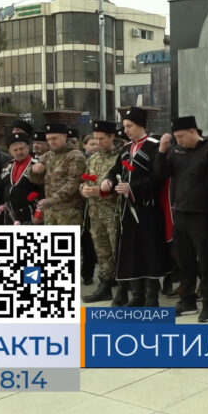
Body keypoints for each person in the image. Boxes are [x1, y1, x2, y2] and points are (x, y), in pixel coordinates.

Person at [100, 107, 172, 307]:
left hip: (148, 209)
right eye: (124, 126)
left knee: (149, 252)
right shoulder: (124, 149)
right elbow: (114, 171)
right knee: (131, 252)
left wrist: (133, 188)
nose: (126, 130)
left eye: (129, 126)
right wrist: (107, 182)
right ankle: (136, 296)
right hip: (126, 211)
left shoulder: (155, 147)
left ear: (141, 124)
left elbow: (158, 178)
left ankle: (151, 297)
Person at [155, 116, 208, 321]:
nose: (179, 140)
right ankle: (187, 300)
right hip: (182, 215)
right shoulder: (176, 152)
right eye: (176, 137)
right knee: (184, 262)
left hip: (203, 216)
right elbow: (161, 174)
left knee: (207, 262)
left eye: (181, 136)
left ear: (194, 131)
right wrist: (162, 149)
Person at [80, 121, 122, 303]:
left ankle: (123, 288)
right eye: (95, 139)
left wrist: (103, 191)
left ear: (112, 137)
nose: (97, 142)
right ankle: (104, 285)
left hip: (114, 212)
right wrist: (83, 189)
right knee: (102, 250)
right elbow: (83, 179)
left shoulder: (121, 156)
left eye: (101, 139)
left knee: (117, 250)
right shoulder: (94, 158)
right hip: (95, 213)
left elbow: (122, 185)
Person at [27, 123, 87, 226]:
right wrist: (34, 171)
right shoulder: (47, 155)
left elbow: (73, 185)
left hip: (68, 211)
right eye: (48, 139)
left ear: (64, 137)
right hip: (50, 211)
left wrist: (51, 200)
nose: (51, 142)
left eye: (54, 138)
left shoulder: (75, 156)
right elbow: (35, 180)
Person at [0, 132, 44, 224]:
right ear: (10, 152)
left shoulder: (37, 165)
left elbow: (44, 190)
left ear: (28, 148)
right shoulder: (7, 166)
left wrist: (39, 213)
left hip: (30, 214)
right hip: (10, 215)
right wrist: (1, 203)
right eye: (15, 150)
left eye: (21, 149)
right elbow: (3, 187)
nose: (19, 152)